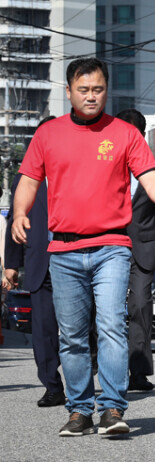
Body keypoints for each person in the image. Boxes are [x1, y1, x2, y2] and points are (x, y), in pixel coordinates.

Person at [11, 58, 155, 437]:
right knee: (71, 335)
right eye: (83, 90)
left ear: (107, 91)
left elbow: (149, 176)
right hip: (64, 251)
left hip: (112, 246)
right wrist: (19, 213)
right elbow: (29, 180)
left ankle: (113, 409)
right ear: (68, 92)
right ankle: (80, 410)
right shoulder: (48, 134)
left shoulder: (124, 134)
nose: (90, 96)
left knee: (112, 327)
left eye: (97, 90)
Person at [4, 117, 64, 408]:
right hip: (41, 262)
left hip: (76, 257)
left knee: (85, 327)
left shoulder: (77, 170)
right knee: (43, 329)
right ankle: (52, 385)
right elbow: (13, 224)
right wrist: (11, 264)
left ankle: (87, 377)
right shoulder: (24, 180)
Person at [115, 109, 155, 392]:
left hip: (143, 248)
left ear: (141, 136)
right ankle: (99, 361)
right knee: (105, 310)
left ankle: (138, 371)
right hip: (109, 246)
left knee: (140, 307)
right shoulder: (103, 163)